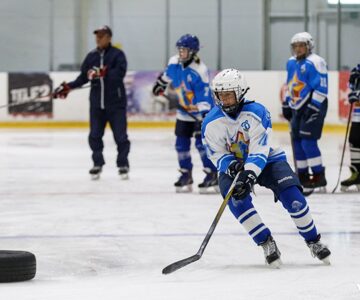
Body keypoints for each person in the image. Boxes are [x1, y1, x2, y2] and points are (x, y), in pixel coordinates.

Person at [202, 68, 331, 267]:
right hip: (234, 167)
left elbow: (260, 150)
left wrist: (249, 174)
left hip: (268, 159)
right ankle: (266, 242)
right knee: (236, 201)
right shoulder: (211, 122)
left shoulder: (257, 113)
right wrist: (230, 164)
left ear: (241, 92)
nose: (224, 100)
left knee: (293, 197)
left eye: (228, 95)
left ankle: (313, 240)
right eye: (220, 95)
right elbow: (215, 153)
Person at [53, 25, 130, 180]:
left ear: (109, 37)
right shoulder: (91, 57)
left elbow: (119, 74)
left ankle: (123, 164)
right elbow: (83, 78)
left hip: (116, 104)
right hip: (96, 105)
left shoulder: (117, 55)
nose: (98, 38)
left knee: (120, 137)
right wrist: (67, 87)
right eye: (97, 35)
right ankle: (97, 164)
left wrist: (103, 73)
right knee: (94, 136)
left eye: (101, 36)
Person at [152, 34, 217, 193]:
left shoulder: (199, 70)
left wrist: (204, 117)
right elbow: (167, 76)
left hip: (200, 112)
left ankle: (212, 174)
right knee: (181, 145)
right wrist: (160, 84)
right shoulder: (174, 62)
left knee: (201, 144)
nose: (181, 53)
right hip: (183, 113)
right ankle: (185, 174)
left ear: (193, 52)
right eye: (180, 50)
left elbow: (203, 95)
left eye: (184, 50)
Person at [282, 32, 328, 192]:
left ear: (309, 46)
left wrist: (314, 106)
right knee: (296, 142)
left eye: (302, 45)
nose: (298, 49)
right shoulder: (291, 62)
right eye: (295, 46)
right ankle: (302, 176)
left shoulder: (316, 62)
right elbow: (289, 84)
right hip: (296, 106)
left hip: (314, 105)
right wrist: (286, 103)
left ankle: (318, 176)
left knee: (308, 142)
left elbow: (322, 87)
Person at [341, 64, 360, 192]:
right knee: (354, 140)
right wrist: (352, 90)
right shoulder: (357, 70)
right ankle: (357, 173)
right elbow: (351, 88)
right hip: (358, 114)